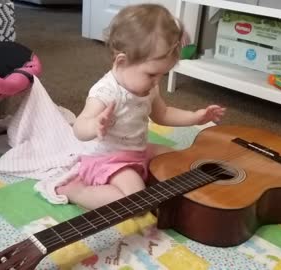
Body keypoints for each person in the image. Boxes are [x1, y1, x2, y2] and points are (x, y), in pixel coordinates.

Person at [55, 4, 225, 210]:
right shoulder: (106, 92)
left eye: (163, 74)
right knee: (136, 201)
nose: (157, 81)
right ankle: (77, 191)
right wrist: (94, 125)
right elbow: (79, 127)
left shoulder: (148, 87)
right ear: (122, 61)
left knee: (179, 160)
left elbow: (163, 114)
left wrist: (195, 117)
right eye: (152, 74)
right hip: (108, 160)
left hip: (139, 151)